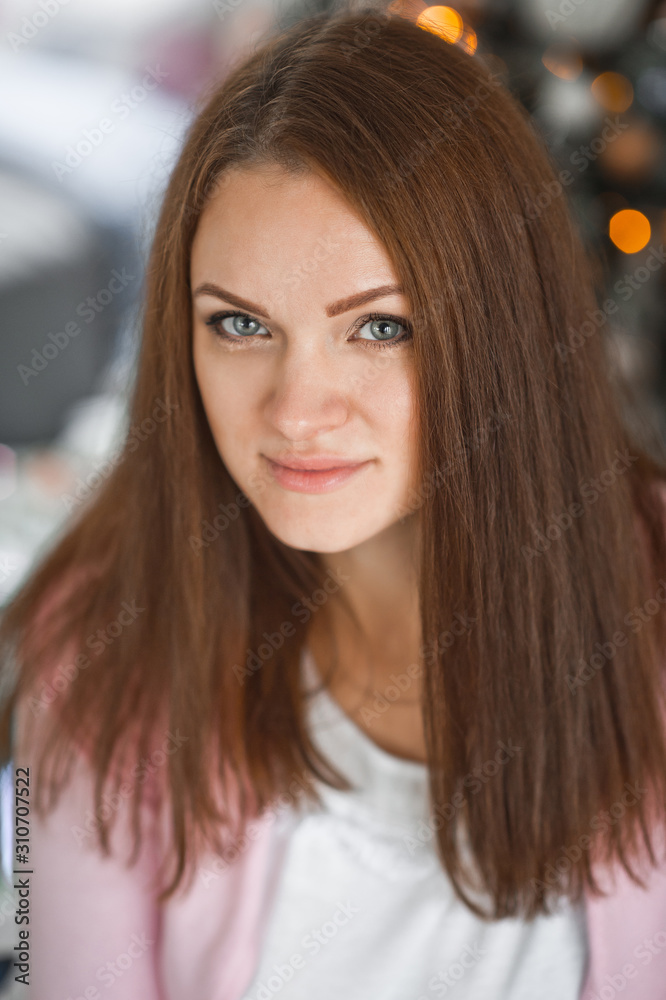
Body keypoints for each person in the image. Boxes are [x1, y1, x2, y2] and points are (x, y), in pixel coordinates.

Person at [3, 4, 666, 998]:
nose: (295, 412)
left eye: (379, 328)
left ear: (501, 330)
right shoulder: (98, 648)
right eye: (239, 324)